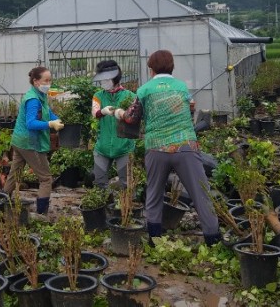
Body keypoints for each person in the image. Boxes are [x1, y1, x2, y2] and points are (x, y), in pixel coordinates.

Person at [115, 50, 219, 246]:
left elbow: (131, 118)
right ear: (172, 66)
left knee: (154, 192)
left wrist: (119, 113)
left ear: (151, 68)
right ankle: (213, 239)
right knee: (200, 192)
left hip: (156, 147)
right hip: (185, 146)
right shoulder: (181, 87)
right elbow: (189, 110)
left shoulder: (144, 90)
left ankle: (155, 238)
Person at [3, 66, 65, 216]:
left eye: (50, 80)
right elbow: (31, 123)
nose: (49, 83)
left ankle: (1, 203)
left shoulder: (39, 95)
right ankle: (41, 213)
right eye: (46, 80)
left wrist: (55, 118)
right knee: (45, 178)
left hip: (19, 141)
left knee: (15, 173)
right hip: (30, 143)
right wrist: (50, 124)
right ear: (36, 81)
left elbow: (46, 111)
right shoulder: (33, 100)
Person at [91, 60, 136, 188]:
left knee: (127, 184)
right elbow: (95, 113)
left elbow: (135, 119)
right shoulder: (98, 96)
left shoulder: (130, 96)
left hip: (124, 147)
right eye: (101, 79)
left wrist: (125, 114)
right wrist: (104, 111)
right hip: (102, 147)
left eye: (105, 79)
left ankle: (126, 207)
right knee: (100, 182)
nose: (102, 82)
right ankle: (105, 205)